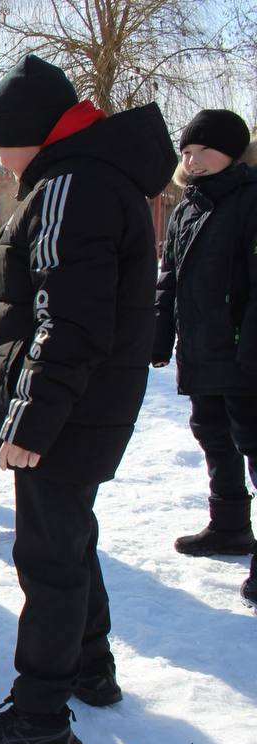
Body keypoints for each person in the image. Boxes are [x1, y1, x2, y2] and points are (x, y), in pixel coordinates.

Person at [0, 55, 175, 744]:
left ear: (29, 134)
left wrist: (29, 421)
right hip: (90, 404)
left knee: (48, 556)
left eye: (0, 142)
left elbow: (66, 321)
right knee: (68, 534)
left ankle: (40, 716)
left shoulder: (70, 186)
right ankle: (90, 665)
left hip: (67, 409)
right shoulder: (88, 176)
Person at [151, 109, 257, 607]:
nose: (192, 161)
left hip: (243, 354)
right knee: (213, 435)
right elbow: (169, 279)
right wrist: (159, 335)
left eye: (202, 151)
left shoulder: (251, 200)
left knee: (254, 446)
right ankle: (230, 525)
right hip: (202, 351)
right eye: (186, 153)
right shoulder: (187, 209)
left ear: (232, 151)